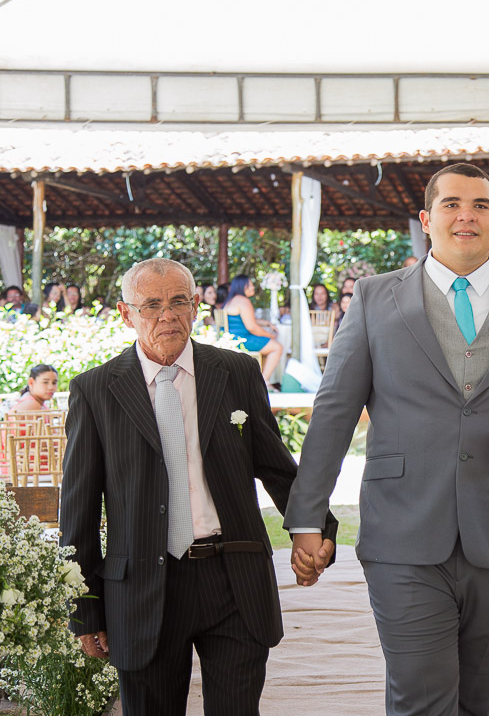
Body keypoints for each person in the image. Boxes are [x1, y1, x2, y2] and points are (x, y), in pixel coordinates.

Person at [283, 162, 489, 716]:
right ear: (427, 219)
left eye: (480, 205)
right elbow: (334, 411)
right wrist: (307, 518)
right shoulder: (374, 298)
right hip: (403, 533)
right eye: (451, 204)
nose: (466, 216)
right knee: (422, 701)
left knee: (477, 701)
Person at [59, 258, 337, 716]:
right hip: (143, 587)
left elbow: (277, 468)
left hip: (234, 578)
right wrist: (84, 607)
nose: (167, 315)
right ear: (126, 314)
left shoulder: (236, 372)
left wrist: (316, 529)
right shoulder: (96, 390)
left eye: (178, 302)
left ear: (195, 307)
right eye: (152, 305)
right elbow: (79, 510)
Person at [222, 275, 285, 383]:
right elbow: (252, 327)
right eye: (250, 285)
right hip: (241, 340)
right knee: (277, 347)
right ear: (243, 286)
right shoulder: (243, 301)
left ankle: (259, 380)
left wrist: (266, 323)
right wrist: (270, 335)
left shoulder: (231, 300)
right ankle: (264, 382)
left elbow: (246, 319)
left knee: (269, 345)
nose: (253, 287)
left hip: (231, 338)